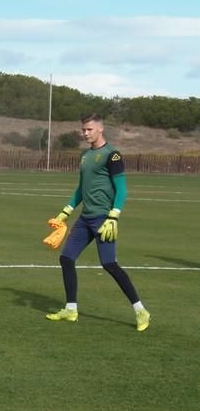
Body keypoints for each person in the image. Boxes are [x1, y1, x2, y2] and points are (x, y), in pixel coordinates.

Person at [45, 113, 151, 332]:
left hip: (103, 219)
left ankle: (141, 310)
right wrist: (65, 211)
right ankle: (71, 309)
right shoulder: (85, 156)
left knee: (109, 264)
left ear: (100, 129)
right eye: (83, 130)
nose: (85, 133)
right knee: (66, 258)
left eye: (89, 129)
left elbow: (121, 189)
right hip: (85, 219)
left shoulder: (112, 155)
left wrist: (114, 215)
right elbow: (81, 189)